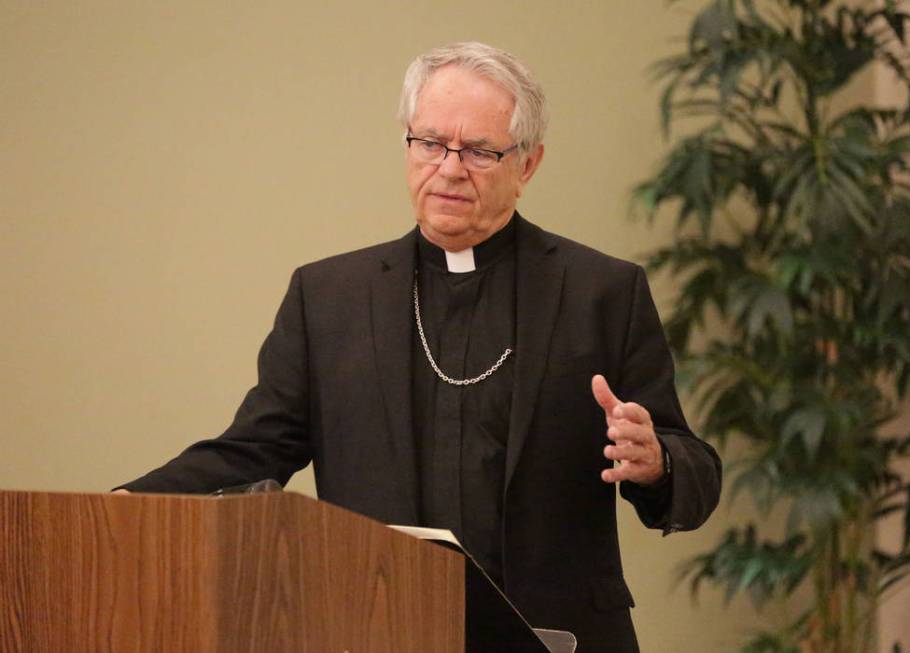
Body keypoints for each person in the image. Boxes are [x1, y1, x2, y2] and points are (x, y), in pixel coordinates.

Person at [117, 42, 721, 651]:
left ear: (528, 164)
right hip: (381, 626)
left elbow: (695, 469)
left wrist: (659, 462)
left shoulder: (602, 292)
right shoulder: (328, 297)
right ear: (407, 145)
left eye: (481, 151)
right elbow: (252, 450)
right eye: (431, 143)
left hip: (561, 635)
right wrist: (122, 508)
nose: (450, 169)